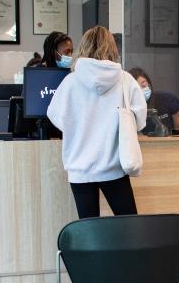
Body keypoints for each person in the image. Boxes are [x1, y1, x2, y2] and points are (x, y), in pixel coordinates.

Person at [46, 26, 146, 219]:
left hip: (80, 169)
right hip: (115, 168)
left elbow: (55, 117)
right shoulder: (126, 80)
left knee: (89, 231)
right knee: (130, 227)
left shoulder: (71, 82)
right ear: (112, 48)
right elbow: (139, 121)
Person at [127, 67, 179, 133]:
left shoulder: (168, 99)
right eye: (137, 88)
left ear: (149, 84)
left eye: (143, 85)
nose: (141, 90)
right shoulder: (128, 109)